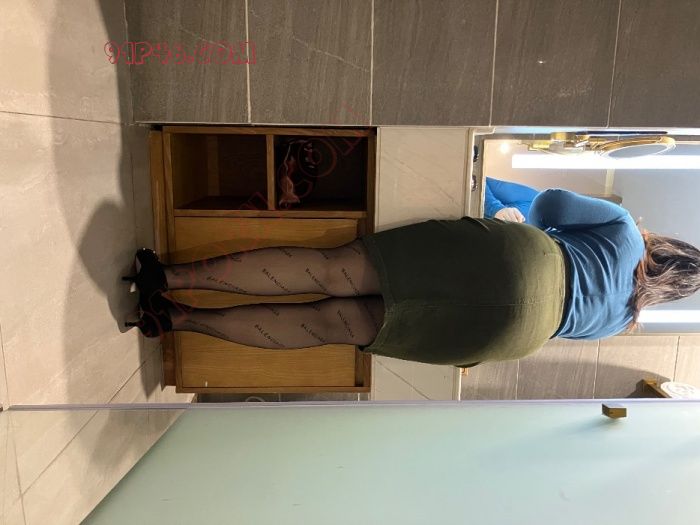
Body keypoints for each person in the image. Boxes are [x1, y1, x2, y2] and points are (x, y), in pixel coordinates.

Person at [124, 189, 700, 368]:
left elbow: (548, 203)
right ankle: (175, 319)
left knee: (329, 270)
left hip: (522, 260)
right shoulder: (621, 322)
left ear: (669, 247)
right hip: (513, 336)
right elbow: (559, 330)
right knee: (328, 325)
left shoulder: (626, 231)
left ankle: (164, 275)